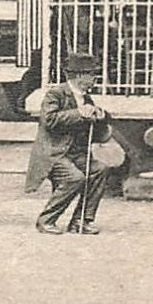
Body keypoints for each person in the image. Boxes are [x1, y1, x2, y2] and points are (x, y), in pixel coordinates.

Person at [33, 52, 114, 235]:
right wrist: (79, 113)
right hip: (54, 154)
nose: (95, 78)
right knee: (75, 178)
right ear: (79, 76)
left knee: (100, 169)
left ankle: (81, 220)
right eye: (92, 74)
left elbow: (97, 126)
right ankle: (46, 220)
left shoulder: (85, 97)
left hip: (76, 154)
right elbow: (49, 120)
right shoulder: (56, 93)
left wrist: (101, 116)